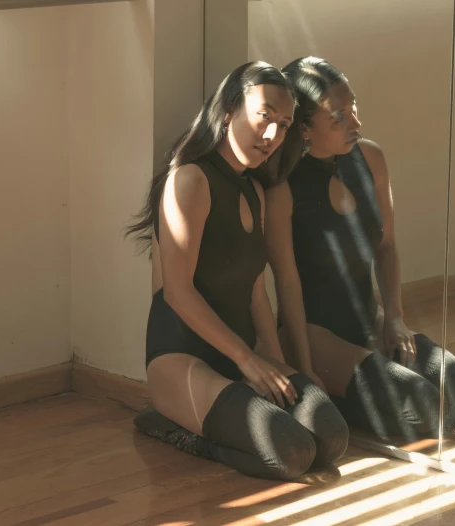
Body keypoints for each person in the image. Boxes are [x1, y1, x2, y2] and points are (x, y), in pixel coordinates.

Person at [124, 61, 348, 480]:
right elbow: (177, 292)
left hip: (244, 356)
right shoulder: (188, 180)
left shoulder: (254, 191)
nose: (271, 135)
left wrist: (281, 367)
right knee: (293, 452)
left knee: (330, 438)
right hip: (184, 359)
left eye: (282, 126)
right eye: (264, 117)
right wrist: (248, 360)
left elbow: (255, 290)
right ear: (229, 110)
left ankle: (243, 404)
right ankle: (171, 425)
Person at [263, 57, 455, 443]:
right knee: (424, 408)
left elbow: (387, 247)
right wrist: (302, 362)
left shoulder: (371, 158)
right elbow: (287, 280)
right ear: (305, 129)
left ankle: (370, 381)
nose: (356, 125)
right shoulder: (283, 187)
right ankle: (346, 389)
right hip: (317, 334)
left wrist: (395, 318)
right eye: (339, 118)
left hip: (371, 319)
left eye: (354, 110)